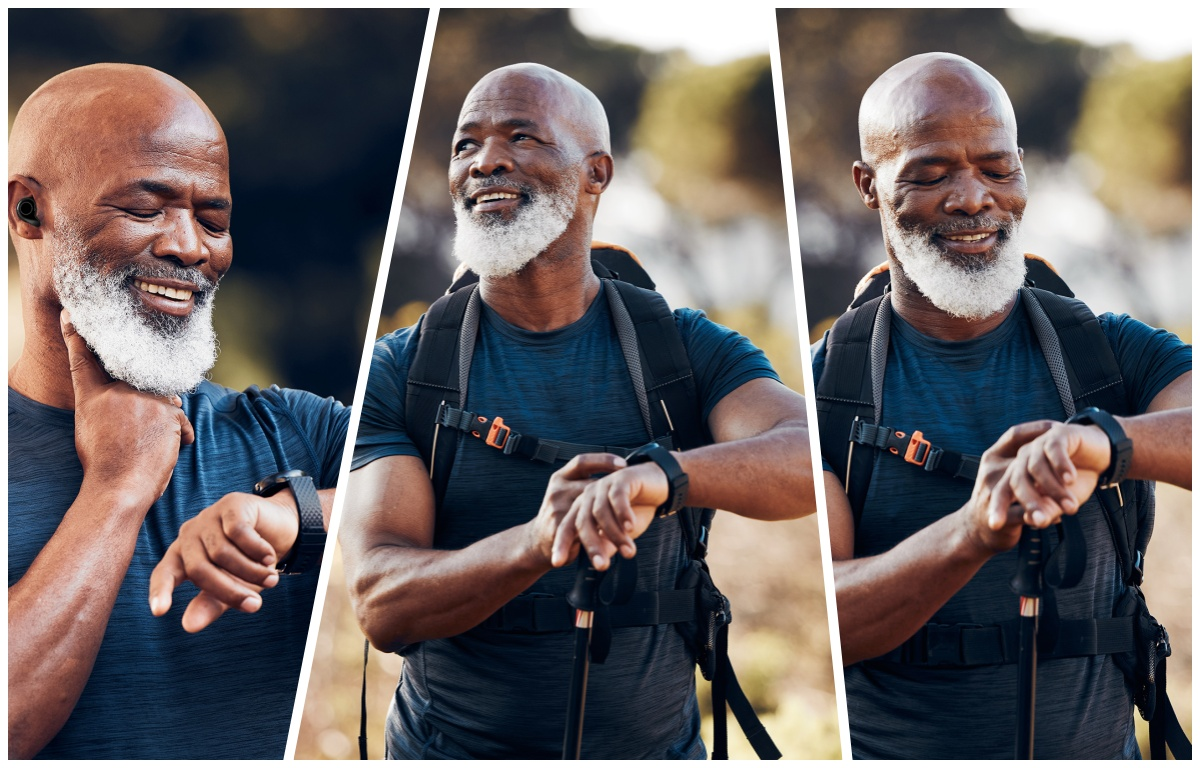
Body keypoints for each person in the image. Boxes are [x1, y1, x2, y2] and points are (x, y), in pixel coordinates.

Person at [341, 62, 814, 759]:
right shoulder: (406, 369)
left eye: (522, 136)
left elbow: (808, 451)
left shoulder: (681, 349)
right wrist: (539, 543)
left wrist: (660, 477)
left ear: (597, 172)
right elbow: (381, 601)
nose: (486, 160)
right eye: (464, 145)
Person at [814, 52, 1191, 759]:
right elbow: (830, 619)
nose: (972, 198)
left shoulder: (1111, 356)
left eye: (996, 168)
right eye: (930, 175)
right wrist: (972, 533)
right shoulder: (827, 389)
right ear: (868, 186)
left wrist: (1104, 444)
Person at [7, 64, 348, 759]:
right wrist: (117, 487)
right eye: (145, 209)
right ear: (28, 212)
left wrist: (295, 514)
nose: (190, 247)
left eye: (212, 219)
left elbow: (473, 496)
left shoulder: (293, 432)